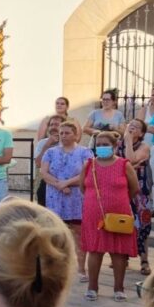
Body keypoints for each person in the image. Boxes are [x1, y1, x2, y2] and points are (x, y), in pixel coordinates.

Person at [80, 132, 138, 301]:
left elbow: (134, 189)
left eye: (105, 144)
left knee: (118, 252)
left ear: (114, 146)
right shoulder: (88, 164)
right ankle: (92, 287)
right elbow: (83, 187)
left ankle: (118, 288)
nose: (102, 147)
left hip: (119, 214)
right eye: (99, 144)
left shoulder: (124, 164)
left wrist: (117, 200)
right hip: (93, 213)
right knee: (95, 250)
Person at [40, 119, 91, 280]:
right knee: (56, 233)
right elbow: (44, 172)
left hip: (76, 196)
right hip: (55, 196)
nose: (63, 136)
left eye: (67, 133)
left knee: (79, 233)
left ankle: (81, 269)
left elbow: (86, 173)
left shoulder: (85, 152)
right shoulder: (51, 152)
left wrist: (67, 183)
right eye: (61, 133)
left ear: (76, 135)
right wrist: (59, 185)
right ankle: (57, 267)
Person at [121, 118, 153, 275]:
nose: (132, 127)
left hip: (140, 193)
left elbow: (129, 160)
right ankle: (124, 257)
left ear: (141, 133)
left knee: (143, 225)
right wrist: (129, 167)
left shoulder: (144, 146)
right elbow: (117, 165)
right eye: (130, 125)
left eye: (136, 127)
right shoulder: (117, 144)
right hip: (122, 190)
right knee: (124, 224)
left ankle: (144, 260)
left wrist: (127, 141)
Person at [34, 113, 65, 207]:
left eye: (56, 125)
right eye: (51, 125)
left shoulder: (68, 143)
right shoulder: (42, 143)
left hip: (64, 184)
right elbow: (38, 163)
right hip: (46, 184)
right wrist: (47, 145)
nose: (53, 127)